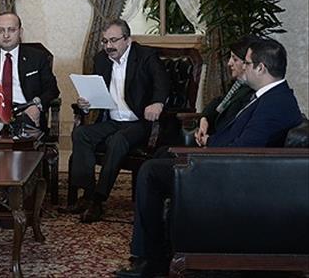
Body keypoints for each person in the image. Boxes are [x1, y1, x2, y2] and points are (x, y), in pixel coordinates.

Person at [116, 38, 304, 278]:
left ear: (261, 68)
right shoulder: (269, 95)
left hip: (228, 175)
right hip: (225, 163)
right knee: (162, 155)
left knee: (150, 171)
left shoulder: (275, 103)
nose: (242, 67)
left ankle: (149, 260)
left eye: (246, 63)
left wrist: (204, 150)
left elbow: (243, 151)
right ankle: (157, 251)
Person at [63, 19, 169, 223]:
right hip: (112, 120)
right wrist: (86, 103)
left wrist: (157, 103)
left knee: (117, 140)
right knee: (81, 134)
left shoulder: (145, 56)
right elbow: (96, 92)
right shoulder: (101, 59)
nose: (108, 46)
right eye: (105, 41)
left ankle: (98, 200)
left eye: (113, 40)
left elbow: (162, 82)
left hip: (139, 122)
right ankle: (87, 194)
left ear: (128, 40)